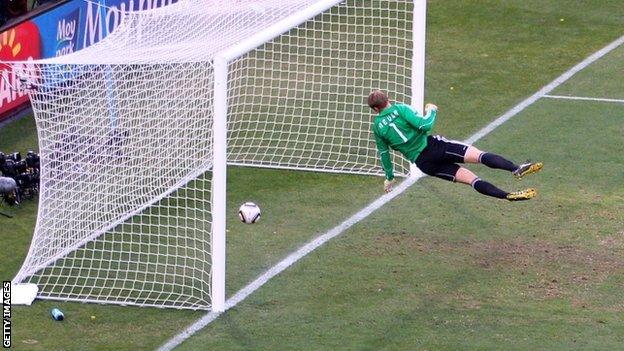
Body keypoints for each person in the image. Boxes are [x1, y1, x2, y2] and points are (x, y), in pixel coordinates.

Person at [368, 90, 542, 201]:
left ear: (375, 110)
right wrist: (432, 110)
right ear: (388, 99)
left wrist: (389, 178)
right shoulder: (400, 109)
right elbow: (425, 125)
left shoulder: (377, 127)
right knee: (480, 156)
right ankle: (515, 168)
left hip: (424, 163)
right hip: (433, 146)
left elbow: (384, 154)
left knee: (473, 180)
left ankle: (507, 195)